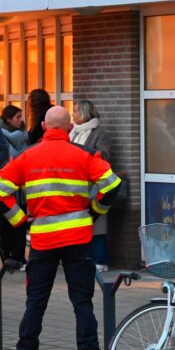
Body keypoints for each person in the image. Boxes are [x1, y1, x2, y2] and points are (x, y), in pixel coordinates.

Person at [0, 106, 121, 350]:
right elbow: (112, 184)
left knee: (35, 303)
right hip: (77, 240)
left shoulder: (28, 155)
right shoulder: (82, 155)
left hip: (42, 240)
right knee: (82, 303)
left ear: (46, 127)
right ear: (68, 128)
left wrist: (21, 221)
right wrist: (94, 211)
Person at [69, 100, 112, 272]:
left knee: (97, 224)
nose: (73, 114)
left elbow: (104, 156)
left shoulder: (99, 133)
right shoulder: (72, 132)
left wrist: (81, 157)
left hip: (93, 186)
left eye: (76, 111)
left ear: (85, 113)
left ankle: (100, 260)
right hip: (75, 185)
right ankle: (82, 259)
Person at [0, 104, 28, 266]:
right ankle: (4, 256)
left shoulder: (24, 136)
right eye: (17, 117)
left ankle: (18, 256)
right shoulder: (0, 136)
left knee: (20, 223)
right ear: (8, 119)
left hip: (21, 191)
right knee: (4, 224)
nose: (20, 120)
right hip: (5, 188)